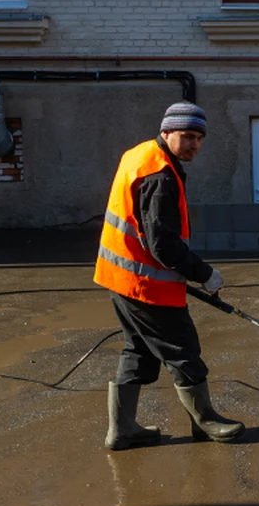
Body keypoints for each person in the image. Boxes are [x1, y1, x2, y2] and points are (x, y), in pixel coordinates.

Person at [94, 102, 244, 450]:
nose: (194, 144)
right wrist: (205, 274)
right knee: (183, 349)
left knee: (139, 351)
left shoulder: (141, 154)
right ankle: (205, 423)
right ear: (166, 133)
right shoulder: (160, 175)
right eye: (187, 136)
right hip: (146, 285)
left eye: (199, 138)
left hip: (122, 278)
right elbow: (162, 245)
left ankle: (124, 430)